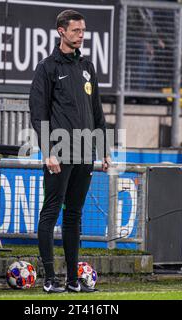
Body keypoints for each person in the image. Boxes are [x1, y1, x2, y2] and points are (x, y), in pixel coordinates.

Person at [29, 9, 111, 293]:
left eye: (83, 31)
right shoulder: (47, 68)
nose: (81, 35)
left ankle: (73, 280)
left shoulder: (87, 66)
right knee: (50, 213)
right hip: (60, 152)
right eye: (76, 31)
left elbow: (97, 111)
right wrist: (47, 150)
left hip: (86, 152)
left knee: (74, 215)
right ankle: (50, 279)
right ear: (61, 31)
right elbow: (38, 113)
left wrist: (104, 149)